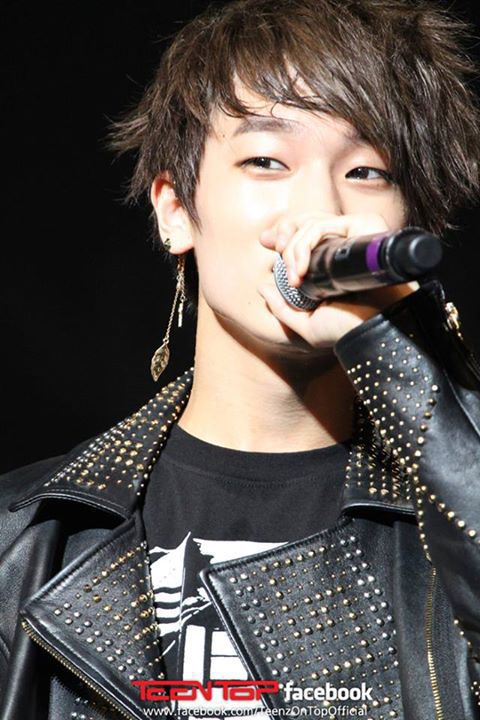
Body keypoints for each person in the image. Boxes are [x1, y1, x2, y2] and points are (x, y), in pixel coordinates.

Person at [2, 0, 480, 718]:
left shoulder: (450, 520)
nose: (318, 212)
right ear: (175, 209)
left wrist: (397, 362)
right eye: (266, 161)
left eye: (368, 171)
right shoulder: (24, 541)